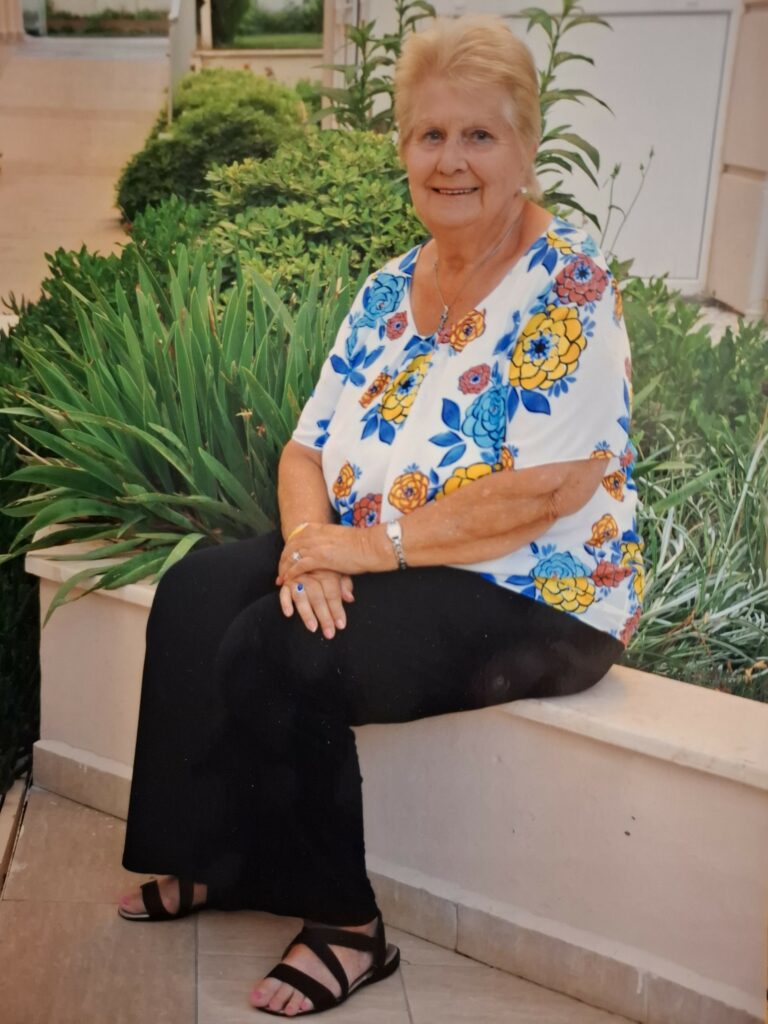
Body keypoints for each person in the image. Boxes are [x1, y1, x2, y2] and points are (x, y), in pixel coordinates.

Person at [118, 13, 644, 1019]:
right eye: (429, 134)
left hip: (534, 590)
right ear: (403, 148)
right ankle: (216, 858)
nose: (451, 160)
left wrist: (365, 548)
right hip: (392, 554)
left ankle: (347, 926)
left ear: (527, 147)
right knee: (197, 593)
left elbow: (548, 490)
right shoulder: (391, 285)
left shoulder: (571, 287)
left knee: (284, 649)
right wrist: (313, 549)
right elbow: (306, 449)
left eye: (479, 135)